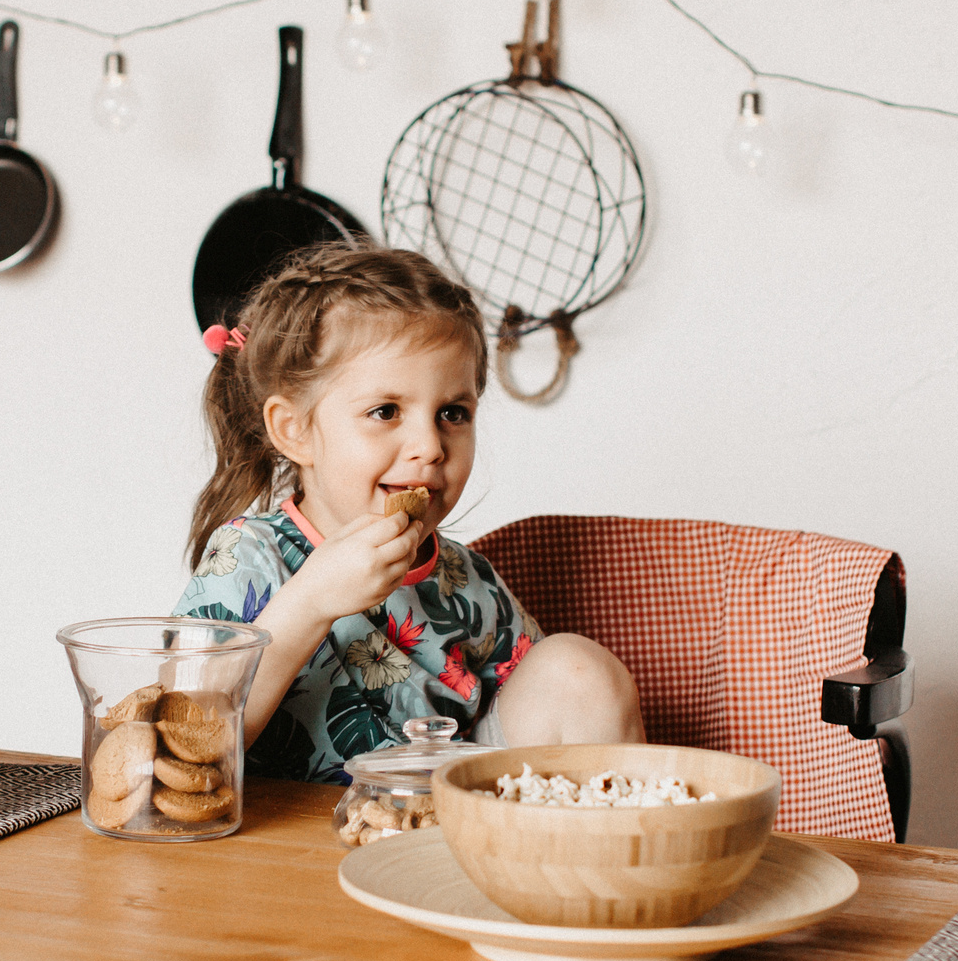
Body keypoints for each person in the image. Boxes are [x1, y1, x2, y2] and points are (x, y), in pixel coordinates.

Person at [173, 244, 642, 783]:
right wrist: (310, 601)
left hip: (444, 821)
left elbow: (536, 708)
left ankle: (617, 834)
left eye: (452, 413)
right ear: (294, 430)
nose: (430, 446)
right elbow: (183, 745)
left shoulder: (468, 579)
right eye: (385, 411)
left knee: (578, 669)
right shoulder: (248, 556)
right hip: (293, 828)